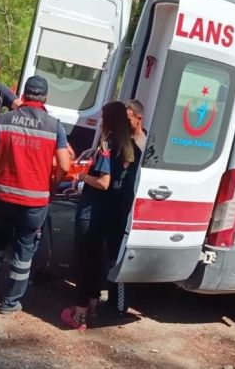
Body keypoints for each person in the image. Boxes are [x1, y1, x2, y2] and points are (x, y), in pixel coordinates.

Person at [0, 75, 70, 314]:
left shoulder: (4, 119)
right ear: (45, 99)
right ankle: (9, 303)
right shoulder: (55, 125)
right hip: (34, 202)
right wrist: (52, 184)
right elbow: (64, 164)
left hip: (3, 196)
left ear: (23, 96)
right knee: (23, 252)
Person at [61, 101, 141, 331]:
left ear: (109, 119)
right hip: (110, 216)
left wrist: (82, 177)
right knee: (96, 266)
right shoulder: (132, 148)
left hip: (92, 214)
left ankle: (79, 317)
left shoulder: (108, 144)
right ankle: (93, 307)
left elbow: (103, 182)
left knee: (85, 266)